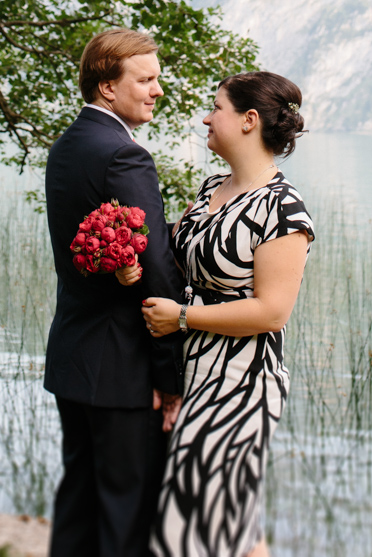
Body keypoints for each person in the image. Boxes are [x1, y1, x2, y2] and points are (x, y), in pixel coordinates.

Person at [136, 71, 314, 557]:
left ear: (248, 120)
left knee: (189, 529)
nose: (206, 117)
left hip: (241, 382)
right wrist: (122, 242)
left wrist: (182, 318)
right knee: (232, 524)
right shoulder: (213, 186)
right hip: (194, 372)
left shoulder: (283, 209)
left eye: (216, 107)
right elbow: (174, 255)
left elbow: (272, 312)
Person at [44, 28, 184, 557]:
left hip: (74, 358)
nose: (157, 90)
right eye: (145, 80)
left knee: (79, 508)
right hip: (124, 370)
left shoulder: (67, 147)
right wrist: (170, 375)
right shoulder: (125, 157)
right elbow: (157, 273)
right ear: (107, 86)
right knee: (126, 521)